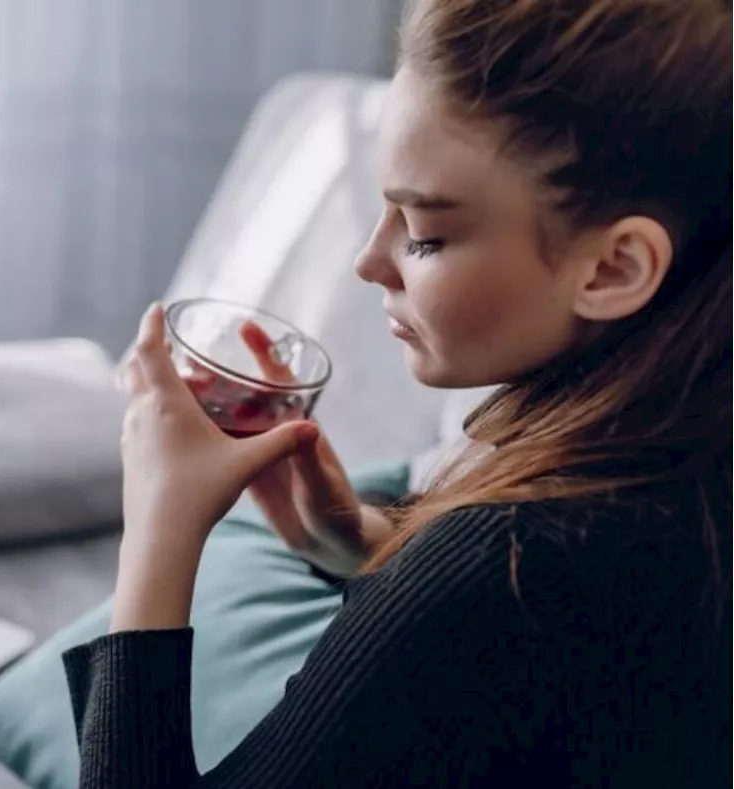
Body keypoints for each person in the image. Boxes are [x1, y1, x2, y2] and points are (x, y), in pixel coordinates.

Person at [63, 0, 734, 785]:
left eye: (426, 231)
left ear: (613, 268)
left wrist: (156, 525)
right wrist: (364, 550)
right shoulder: (681, 460)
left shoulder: (510, 564)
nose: (369, 260)